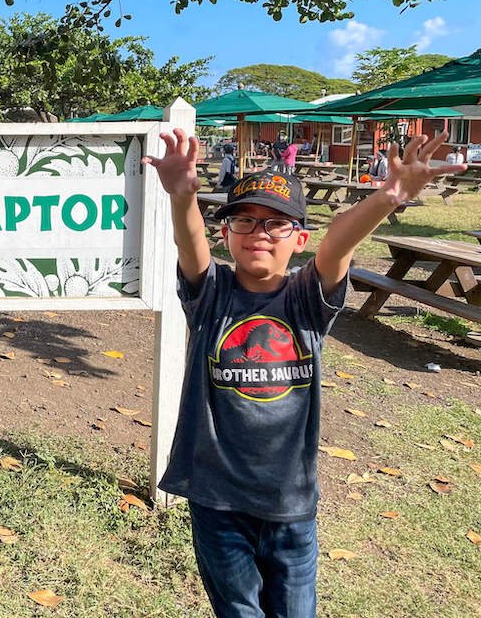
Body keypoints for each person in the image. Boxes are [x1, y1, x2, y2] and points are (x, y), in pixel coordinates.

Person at [142, 129, 463, 618]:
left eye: (277, 225)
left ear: (300, 239)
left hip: (290, 502)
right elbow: (189, 244)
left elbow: (338, 245)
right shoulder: (211, 295)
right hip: (216, 497)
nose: (259, 234)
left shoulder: (306, 299)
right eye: (245, 222)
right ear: (225, 234)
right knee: (238, 610)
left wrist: (390, 195)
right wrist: (182, 196)